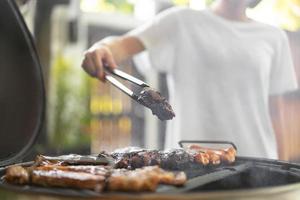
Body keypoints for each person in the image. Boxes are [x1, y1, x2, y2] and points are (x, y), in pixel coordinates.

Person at [81, 0, 298, 159]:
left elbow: (277, 112)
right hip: (189, 163)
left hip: (258, 162)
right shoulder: (182, 21)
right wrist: (102, 48)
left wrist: (286, 171)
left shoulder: (274, 37)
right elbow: (123, 44)